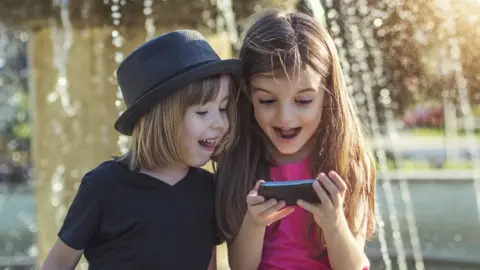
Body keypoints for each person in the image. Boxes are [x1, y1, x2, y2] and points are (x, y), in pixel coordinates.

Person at [41, 29, 242, 270]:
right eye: (202, 112)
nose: (219, 122)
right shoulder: (103, 186)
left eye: (223, 108)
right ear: (161, 119)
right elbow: (58, 264)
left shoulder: (209, 188)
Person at [215, 10, 376, 270]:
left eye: (303, 101)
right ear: (248, 95)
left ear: (327, 94)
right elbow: (240, 267)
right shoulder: (241, 162)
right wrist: (254, 224)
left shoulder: (350, 162)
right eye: (267, 100)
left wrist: (334, 223)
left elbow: (354, 266)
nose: (285, 117)